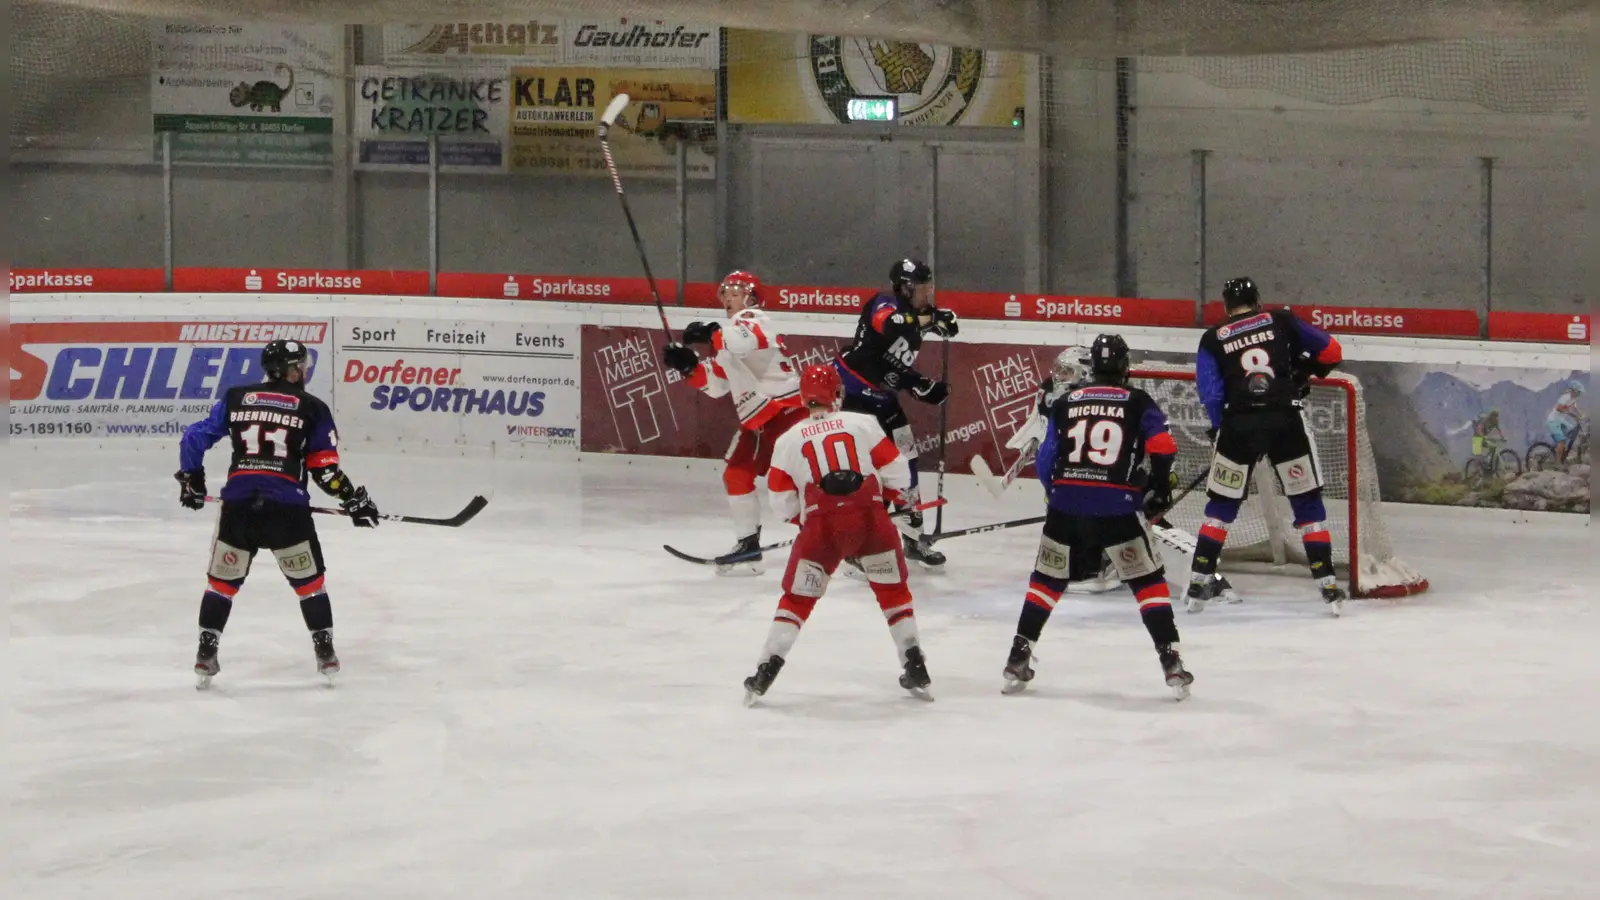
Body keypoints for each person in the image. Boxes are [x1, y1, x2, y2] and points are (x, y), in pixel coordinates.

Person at [174, 339, 379, 687]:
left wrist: (192, 480)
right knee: (310, 585)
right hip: (287, 510)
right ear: (292, 370)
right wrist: (352, 499)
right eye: (301, 367)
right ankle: (325, 651)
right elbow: (324, 471)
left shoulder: (236, 397)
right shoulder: (312, 407)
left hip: (238, 508)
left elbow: (193, 437)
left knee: (221, 586)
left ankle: (206, 653)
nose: (304, 372)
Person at [1001, 334, 1193, 699]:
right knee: (1147, 582)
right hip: (1118, 507)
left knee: (1046, 581)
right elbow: (1163, 446)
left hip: (1065, 506)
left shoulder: (1066, 401)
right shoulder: (1137, 400)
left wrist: (1058, 495)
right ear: (1125, 367)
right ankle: (1171, 661)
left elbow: (1047, 459)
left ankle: (1018, 654)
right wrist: (1158, 488)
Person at [743, 364, 932, 704]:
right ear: (837, 394)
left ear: (804, 398)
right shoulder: (862, 423)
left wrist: (805, 521)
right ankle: (915, 662)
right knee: (893, 593)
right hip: (872, 521)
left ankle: (765, 671)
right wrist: (881, 504)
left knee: (797, 600)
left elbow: (781, 502)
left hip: (821, 528)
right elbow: (899, 473)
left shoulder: (788, 440)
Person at [1190, 277, 1347, 615]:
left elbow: (1211, 393)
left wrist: (1219, 429)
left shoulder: (1212, 338)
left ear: (1226, 305)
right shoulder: (1281, 320)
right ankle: (1328, 584)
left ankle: (1199, 580)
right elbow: (1333, 351)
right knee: (1306, 501)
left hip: (1238, 425)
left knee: (1221, 506)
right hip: (1285, 420)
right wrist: (1303, 370)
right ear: (1257, 300)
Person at [662, 270, 809, 575]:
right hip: (759, 419)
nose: (728, 298)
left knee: (800, 485)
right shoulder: (729, 338)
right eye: (725, 294)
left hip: (787, 413)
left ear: (752, 298)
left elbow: (743, 341)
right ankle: (748, 547)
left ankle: (840, 540)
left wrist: (712, 331)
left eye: (735, 293)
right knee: (737, 474)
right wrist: (689, 367)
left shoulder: (755, 320)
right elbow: (716, 385)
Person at [831, 258, 959, 568]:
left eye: (930, 287)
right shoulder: (885, 302)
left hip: (881, 398)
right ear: (905, 288)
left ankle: (913, 538)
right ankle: (855, 545)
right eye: (922, 287)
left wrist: (920, 385)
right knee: (864, 470)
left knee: (907, 460)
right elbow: (889, 326)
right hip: (854, 395)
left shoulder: (918, 314)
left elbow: (894, 366)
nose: (928, 293)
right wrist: (915, 382)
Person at [1547, 381, 1586, 463]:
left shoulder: (1573, 399)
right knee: (1562, 441)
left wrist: (1581, 415)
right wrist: (1570, 413)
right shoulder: (1565, 397)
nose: (1579, 394)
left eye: (1580, 392)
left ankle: (1562, 450)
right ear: (1574, 390)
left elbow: (1574, 409)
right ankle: (1557, 463)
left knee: (1571, 431)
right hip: (1553, 421)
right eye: (1578, 392)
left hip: (1561, 421)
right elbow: (1559, 408)